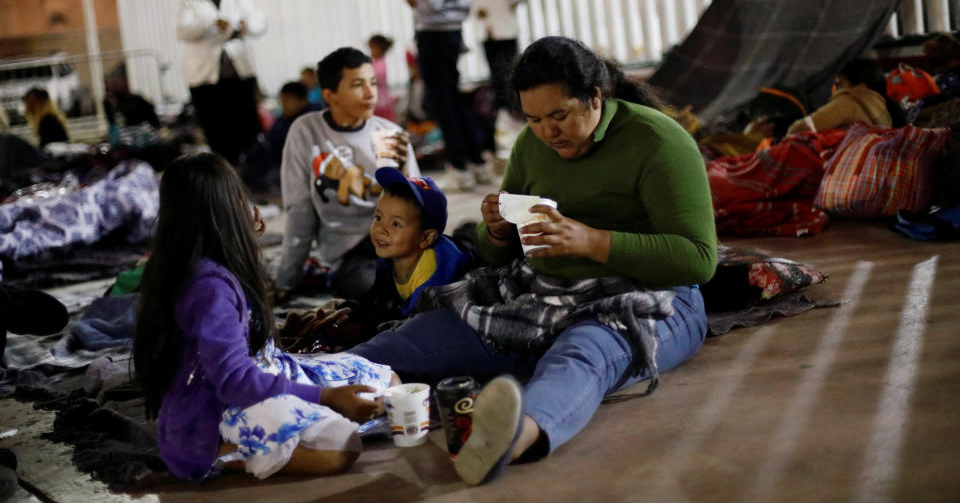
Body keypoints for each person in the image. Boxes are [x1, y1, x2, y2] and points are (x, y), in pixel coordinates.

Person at [350, 36, 717, 485]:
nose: (547, 132)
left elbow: (698, 261)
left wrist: (593, 242)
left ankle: (507, 438)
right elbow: (491, 254)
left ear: (595, 97)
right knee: (412, 339)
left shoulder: (658, 142)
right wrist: (497, 230)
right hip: (541, 293)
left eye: (559, 115)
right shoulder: (531, 144)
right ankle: (303, 390)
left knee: (579, 357)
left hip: (648, 298)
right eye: (533, 119)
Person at [132, 152, 396, 482]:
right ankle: (224, 455)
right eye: (240, 198)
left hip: (258, 373)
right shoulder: (207, 287)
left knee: (386, 382)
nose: (249, 206)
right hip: (218, 413)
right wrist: (326, 397)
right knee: (341, 449)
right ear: (224, 211)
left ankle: (297, 422)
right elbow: (234, 381)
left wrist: (246, 242)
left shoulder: (196, 263)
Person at [277, 47, 419, 300]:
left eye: (373, 83)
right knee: (364, 286)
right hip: (351, 251)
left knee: (462, 249)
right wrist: (286, 279)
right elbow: (300, 211)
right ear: (330, 95)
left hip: (397, 241)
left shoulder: (388, 133)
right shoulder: (307, 132)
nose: (370, 93)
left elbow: (415, 204)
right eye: (357, 85)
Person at [404, 0, 486, 191]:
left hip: (434, 31)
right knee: (454, 98)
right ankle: (476, 161)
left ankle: (458, 166)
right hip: (453, 29)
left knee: (441, 102)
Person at [176, 0, 266, 163]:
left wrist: (247, 25)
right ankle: (227, 169)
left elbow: (259, 21)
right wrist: (211, 23)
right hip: (207, 81)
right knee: (217, 127)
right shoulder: (190, 2)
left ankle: (251, 168)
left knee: (247, 123)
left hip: (239, 75)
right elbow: (183, 30)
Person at [365, 167, 471, 319]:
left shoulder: (432, 280)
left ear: (425, 239)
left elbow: (413, 327)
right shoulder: (391, 254)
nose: (381, 229)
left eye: (395, 224)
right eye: (378, 218)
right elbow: (377, 295)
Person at [472, 0, 539, 111]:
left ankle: (516, 108)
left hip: (505, 33)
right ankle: (502, 111)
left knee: (510, 73)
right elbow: (472, 4)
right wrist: (477, 12)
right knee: (495, 76)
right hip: (487, 34)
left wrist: (517, 1)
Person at [240, 82, 323, 191]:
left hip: (299, 167)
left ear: (302, 100)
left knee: (269, 181)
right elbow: (266, 140)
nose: (283, 105)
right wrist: (245, 157)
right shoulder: (284, 119)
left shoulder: (314, 117)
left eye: (287, 101)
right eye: (282, 101)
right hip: (275, 162)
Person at [786, 59, 893, 134]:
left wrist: (788, 131)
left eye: (840, 84)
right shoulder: (880, 105)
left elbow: (803, 128)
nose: (836, 89)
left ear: (861, 86)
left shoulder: (848, 101)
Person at [368, 34, 398, 122]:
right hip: (382, 100)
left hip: (380, 102)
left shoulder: (379, 64)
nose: (371, 51)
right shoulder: (375, 62)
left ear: (379, 48)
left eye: (372, 48)